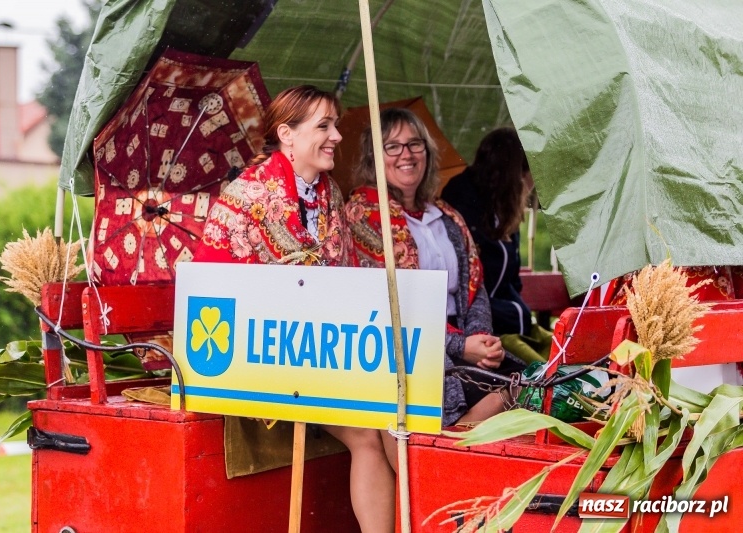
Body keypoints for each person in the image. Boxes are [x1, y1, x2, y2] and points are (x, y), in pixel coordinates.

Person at [193, 85, 396, 533]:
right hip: (261, 358)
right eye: (323, 126)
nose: (337, 136)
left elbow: (345, 277)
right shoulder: (243, 198)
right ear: (286, 133)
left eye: (335, 124)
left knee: (394, 419)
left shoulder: (331, 196)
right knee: (369, 432)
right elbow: (211, 288)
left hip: (322, 354)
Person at [345, 108, 526, 428]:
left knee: (533, 388)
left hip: (463, 345)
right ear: (374, 157)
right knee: (505, 395)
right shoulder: (364, 213)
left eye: (415, 144)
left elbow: (476, 288)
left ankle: (453, 454)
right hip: (409, 351)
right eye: (393, 146)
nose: (407, 154)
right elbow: (385, 306)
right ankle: (444, 456)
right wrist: (459, 346)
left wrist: (480, 340)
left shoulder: (446, 215)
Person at [441, 127, 551, 364]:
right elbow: (471, 283)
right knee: (541, 374)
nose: (533, 183)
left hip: (513, 325)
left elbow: (512, 280)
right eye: (531, 172)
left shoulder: (504, 208)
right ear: (517, 174)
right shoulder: (463, 199)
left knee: (564, 360)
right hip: (482, 334)